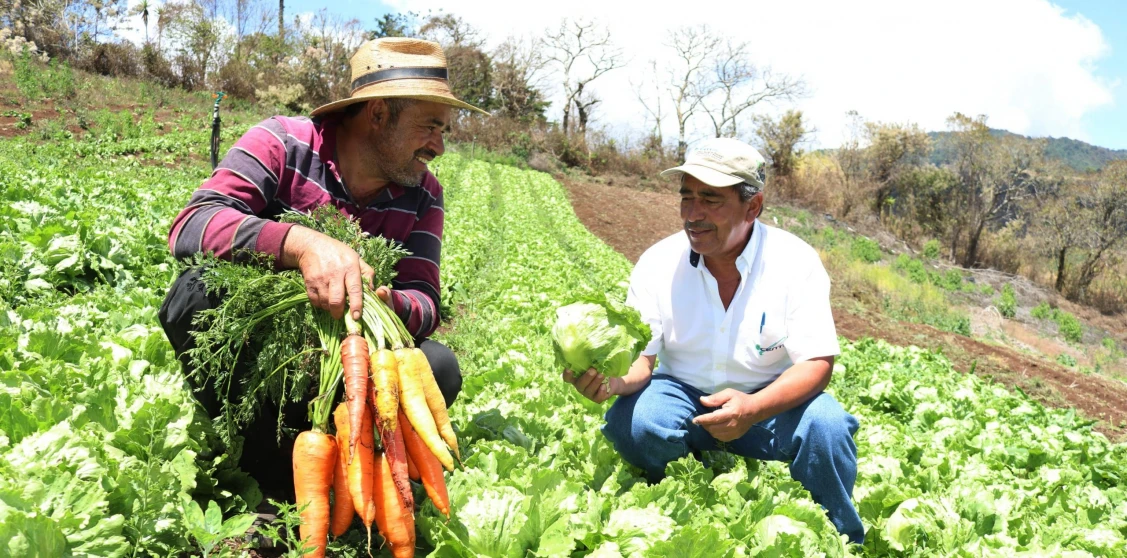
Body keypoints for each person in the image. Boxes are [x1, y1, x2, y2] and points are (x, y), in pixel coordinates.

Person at [159, 37, 486, 496]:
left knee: (438, 367)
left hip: (347, 356)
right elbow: (193, 224)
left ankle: (347, 460)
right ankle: (260, 465)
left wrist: (390, 304)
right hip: (265, 354)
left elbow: (426, 300)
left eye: (444, 130)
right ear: (378, 114)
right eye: (430, 126)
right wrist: (301, 244)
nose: (440, 146)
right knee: (193, 294)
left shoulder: (425, 194)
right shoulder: (283, 141)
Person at [562, 138, 864, 544]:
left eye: (711, 200)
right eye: (686, 197)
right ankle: (683, 496)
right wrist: (612, 383)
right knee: (634, 423)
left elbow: (816, 363)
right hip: (683, 395)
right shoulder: (658, 263)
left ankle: (840, 538)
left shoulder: (795, 262)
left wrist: (753, 408)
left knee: (826, 427)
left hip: (768, 398)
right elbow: (644, 360)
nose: (693, 214)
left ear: (752, 207)